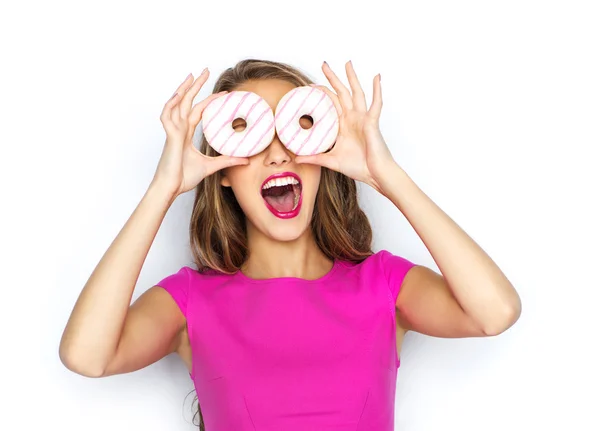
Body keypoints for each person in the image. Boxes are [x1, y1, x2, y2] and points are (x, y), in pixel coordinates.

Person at [59, 59, 522, 431]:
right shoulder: (189, 304)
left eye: (297, 127)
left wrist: (389, 176)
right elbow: (86, 356)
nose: (278, 152)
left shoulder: (383, 286)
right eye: (248, 134)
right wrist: (162, 188)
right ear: (221, 171)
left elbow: (494, 312)